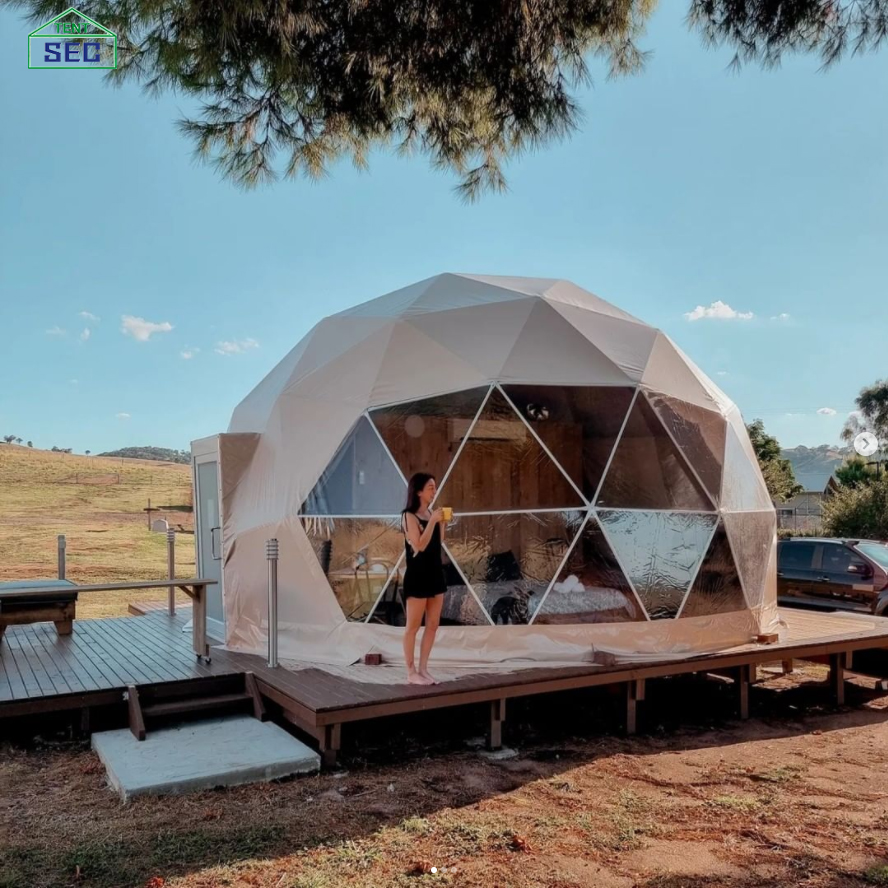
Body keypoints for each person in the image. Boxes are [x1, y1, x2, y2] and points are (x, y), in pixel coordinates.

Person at [401, 472, 447, 685]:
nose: (434, 491)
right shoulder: (408, 516)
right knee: (413, 626)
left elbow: (438, 543)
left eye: (434, 487)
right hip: (418, 576)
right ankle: (410, 672)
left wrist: (441, 523)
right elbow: (418, 545)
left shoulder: (431, 514)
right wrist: (432, 522)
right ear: (418, 491)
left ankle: (423, 668)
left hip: (436, 574)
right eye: (430, 487)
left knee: (433, 624)